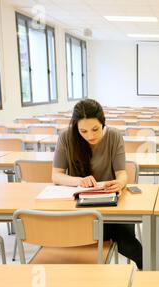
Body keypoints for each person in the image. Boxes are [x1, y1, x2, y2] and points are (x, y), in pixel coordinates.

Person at [52, 99, 143, 269]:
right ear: (76, 128)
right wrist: (79, 181)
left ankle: (151, 283)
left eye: (95, 129)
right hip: (77, 209)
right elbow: (56, 176)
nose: (90, 136)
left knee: (133, 247)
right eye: (83, 131)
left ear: (103, 123)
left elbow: (122, 174)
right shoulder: (66, 137)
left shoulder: (114, 136)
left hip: (110, 209)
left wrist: (120, 183)